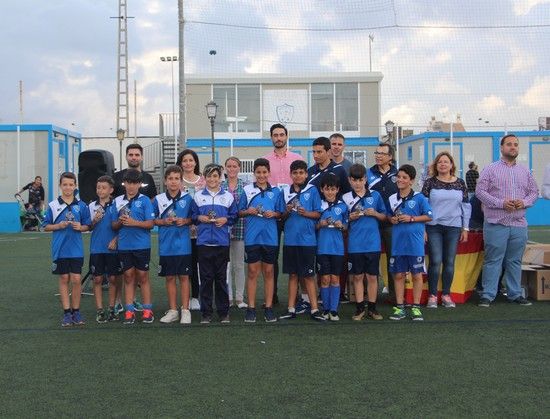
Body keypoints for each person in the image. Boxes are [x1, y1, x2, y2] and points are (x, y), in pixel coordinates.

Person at [476, 134, 539, 307]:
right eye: (509, 144)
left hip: (518, 224)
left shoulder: (525, 171)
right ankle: (488, 294)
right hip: (496, 223)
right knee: (493, 260)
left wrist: (524, 202)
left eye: (516, 145)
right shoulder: (490, 169)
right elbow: (480, 192)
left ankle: (514, 293)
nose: (513, 147)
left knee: (515, 260)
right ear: (502, 148)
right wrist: (500, 203)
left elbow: (534, 192)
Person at [422, 152, 471, 309]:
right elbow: (422, 206)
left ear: (452, 165)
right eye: (440, 162)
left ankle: (446, 294)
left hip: (454, 227)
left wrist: (465, 228)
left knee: (449, 262)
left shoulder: (461, 183)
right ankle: (432, 295)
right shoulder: (429, 183)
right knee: (435, 261)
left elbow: (466, 207)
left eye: (446, 162)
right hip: (433, 227)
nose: (443, 164)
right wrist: (422, 229)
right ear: (436, 166)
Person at [279, 160, 326, 321]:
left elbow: (318, 213)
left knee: (308, 276)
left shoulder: (312, 190)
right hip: (291, 240)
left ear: (306, 174)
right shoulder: (285, 191)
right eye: (295, 173)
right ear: (291, 174)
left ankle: (314, 309)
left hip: (308, 241)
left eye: (301, 172)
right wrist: (286, 210)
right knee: (292, 275)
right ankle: (291, 308)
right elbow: (281, 216)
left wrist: (306, 213)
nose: (298, 176)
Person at [263, 123, 305, 304]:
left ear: (287, 137)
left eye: (281, 135)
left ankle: (298, 296)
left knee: (295, 252)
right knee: (271, 256)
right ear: (271, 138)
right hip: (272, 214)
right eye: (275, 135)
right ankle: (271, 296)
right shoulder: (264, 161)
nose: (278, 138)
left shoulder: (297, 158)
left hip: (293, 214)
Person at [43, 172, 91, 327]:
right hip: (60, 249)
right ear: (60, 186)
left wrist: (81, 227)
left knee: (77, 279)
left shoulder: (81, 205)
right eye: (65, 184)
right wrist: (58, 226)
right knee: (64, 278)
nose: (68, 187)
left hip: (76, 249)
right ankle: (66, 312)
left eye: (71, 184)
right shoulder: (53, 205)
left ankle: (76, 311)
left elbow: (88, 225)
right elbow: (45, 226)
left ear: (75, 186)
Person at [191, 163, 238, 324]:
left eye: (215, 176)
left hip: (222, 244)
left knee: (221, 279)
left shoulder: (228, 196)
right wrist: (199, 218)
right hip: (203, 244)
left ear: (220, 178)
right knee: (205, 279)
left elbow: (234, 215)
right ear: (205, 178)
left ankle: (223, 312)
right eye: (209, 176)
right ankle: (206, 313)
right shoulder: (198, 196)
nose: (212, 179)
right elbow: (193, 215)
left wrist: (226, 219)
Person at [239, 158, 284, 323]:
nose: (261, 175)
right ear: (254, 173)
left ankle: (269, 307)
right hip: (252, 237)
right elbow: (240, 212)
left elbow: (281, 212)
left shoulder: (277, 191)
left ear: (269, 173)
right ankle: (251, 308)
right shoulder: (247, 190)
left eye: (264, 172)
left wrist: (275, 214)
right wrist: (248, 211)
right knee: (252, 272)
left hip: (270, 238)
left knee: (269, 272)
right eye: (258, 172)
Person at [387, 164, 433, 321]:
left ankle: (416, 307)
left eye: (404, 178)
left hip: (415, 244)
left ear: (411, 181)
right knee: (399, 275)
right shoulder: (392, 198)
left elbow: (429, 216)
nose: (400, 180)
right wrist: (392, 219)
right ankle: (400, 307)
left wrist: (411, 218)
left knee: (416, 275)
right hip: (398, 243)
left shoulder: (419, 197)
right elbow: (389, 216)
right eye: (398, 177)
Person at [342, 163, 387, 321]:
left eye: (360, 180)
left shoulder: (375, 195)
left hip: (373, 243)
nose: (357, 183)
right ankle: (360, 307)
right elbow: (341, 222)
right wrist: (349, 217)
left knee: (372, 277)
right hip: (355, 244)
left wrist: (374, 213)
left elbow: (384, 216)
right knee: (358, 276)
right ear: (349, 180)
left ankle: (373, 308)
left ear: (365, 179)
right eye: (354, 180)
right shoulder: (346, 198)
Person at [111, 169, 155, 324]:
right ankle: (129, 310)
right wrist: (120, 221)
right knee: (128, 276)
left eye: (134, 183)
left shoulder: (145, 201)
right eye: (128, 183)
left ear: (139, 184)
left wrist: (134, 223)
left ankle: (147, 309)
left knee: (142, 276)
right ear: (124, 184)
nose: (131, 186)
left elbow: (150, 224)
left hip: (141, 245)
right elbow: (113, 225)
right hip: (124, 246)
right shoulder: (117, 201)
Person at [153, 165, 194, 324]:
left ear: (181, 181)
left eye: (177, 178)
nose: (173, 182)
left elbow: (194, 218)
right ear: (165, 181)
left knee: (184, 277)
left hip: (183, 245)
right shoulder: (158, 199)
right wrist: (163, 221)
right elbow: (152, 220)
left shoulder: (188, 198)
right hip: (166, 246)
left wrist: (185, 221)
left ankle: (185, 310)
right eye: (170, 178)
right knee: (169, 277)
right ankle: (172, 310)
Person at [367, 143, 399, 300]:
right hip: (371, 223)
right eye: (376, 152)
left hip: (391, 225)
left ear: (390, 157)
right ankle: (367, 296)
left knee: (393, 260)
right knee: (369, 258)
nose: (378, 155)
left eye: (382, 153)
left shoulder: (398, 174)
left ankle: (394, 296)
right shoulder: (368, 174)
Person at [88, 175, 122, 323]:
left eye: (104, 187)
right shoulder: (91, 206)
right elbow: (88, 227)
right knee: (97, 279)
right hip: (96, 248)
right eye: (98, 187)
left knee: (113, 278)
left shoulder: (118, 205)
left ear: (111, 189)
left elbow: (123, 226)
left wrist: (116, 239)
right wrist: (94, 221)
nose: (100, 190)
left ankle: (112, 308)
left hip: (112, 249)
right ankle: (100, 310)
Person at [177, 149, 206, 311]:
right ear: (180, 163)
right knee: (183, 264)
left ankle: (195, 296)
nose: (188, 163)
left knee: (196, 264)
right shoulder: (176, 180)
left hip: (200, 231)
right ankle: (183, 297)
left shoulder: (203, 181)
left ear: (195, 162)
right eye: (184, 160)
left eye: (191, 160)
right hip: (181, 231)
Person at [316, 173, 348, 321]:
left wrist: (341, 225)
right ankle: (325, 308)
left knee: (335, 279)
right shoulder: (318, 205)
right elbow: (313, 226)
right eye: (327, 189)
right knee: (324, 279)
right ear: (322, 190)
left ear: (337, 190)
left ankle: (334, 310)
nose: (330, 192)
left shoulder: (342, 206)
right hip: (322, 248)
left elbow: (347, 226)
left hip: (337, 249)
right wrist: (320, 224)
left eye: (333, 189)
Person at [222, 157, 248, 309]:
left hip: (240, 230)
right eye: (229, 166)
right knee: (226, 266)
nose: (231, 169)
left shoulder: (245, 187)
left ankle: (239, 298)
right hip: (222, 231)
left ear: (239, 168)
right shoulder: (220, 186)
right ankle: (228, 297)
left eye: (234, 166)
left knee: (239, 265)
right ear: (225, 168)